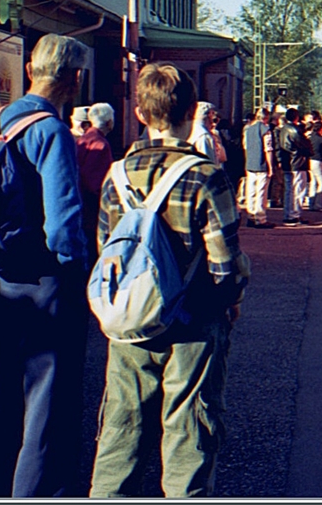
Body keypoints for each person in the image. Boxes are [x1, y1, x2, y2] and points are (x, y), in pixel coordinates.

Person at [90, 63, 250, 498]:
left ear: (141, 114)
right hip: (195, 322)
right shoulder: (205, 175)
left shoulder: (117, 175)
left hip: (131, 322)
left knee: (122, 426)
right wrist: (230, 301)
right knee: (190, 429)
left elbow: (108, 250)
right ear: (189, 111)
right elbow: (224, 262)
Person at [0, 33, 90, 497]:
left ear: (31, 70)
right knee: (47, 402)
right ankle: (37, 493)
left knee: (5, 392)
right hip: (43, 280)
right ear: (75, 79)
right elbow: (64, 225)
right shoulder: (52, 131)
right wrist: (80, 271)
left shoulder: (1, 119)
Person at [76, 101, 116, 262]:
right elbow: (95, 183)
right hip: (91, 211)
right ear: (109, 122)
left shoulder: (82, 139)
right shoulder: (100, 144)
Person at [276, 107, 312, 226]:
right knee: (298, 190)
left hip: (287, 163)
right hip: (297, 162)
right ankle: (295, 215)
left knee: (288, 190)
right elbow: (305, 145)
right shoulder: (295, 130)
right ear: (296, 117)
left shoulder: (283, 129)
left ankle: (288, 214)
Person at [242, 107, 275, 228]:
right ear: (266, 118)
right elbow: (268, 149)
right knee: (261, 192)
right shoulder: (266, 130)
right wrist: (270, 166)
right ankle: (260, 218)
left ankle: (250, 216)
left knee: (250, 191)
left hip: (250, 163)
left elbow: (245, 147)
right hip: (261, 165)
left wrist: (247, 162)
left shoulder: (247, 130)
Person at [188, 101, 226, 169]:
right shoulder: (203, 135)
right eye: (213, 114)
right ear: (210, 115)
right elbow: (208, 163)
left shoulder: (189, 130)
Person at [306, 116, 322, 211]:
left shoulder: (309, 138)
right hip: (318, 162)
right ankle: (319, 205)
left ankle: (311, 203)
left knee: (313, 182)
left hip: (309, 161)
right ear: (321, 129)